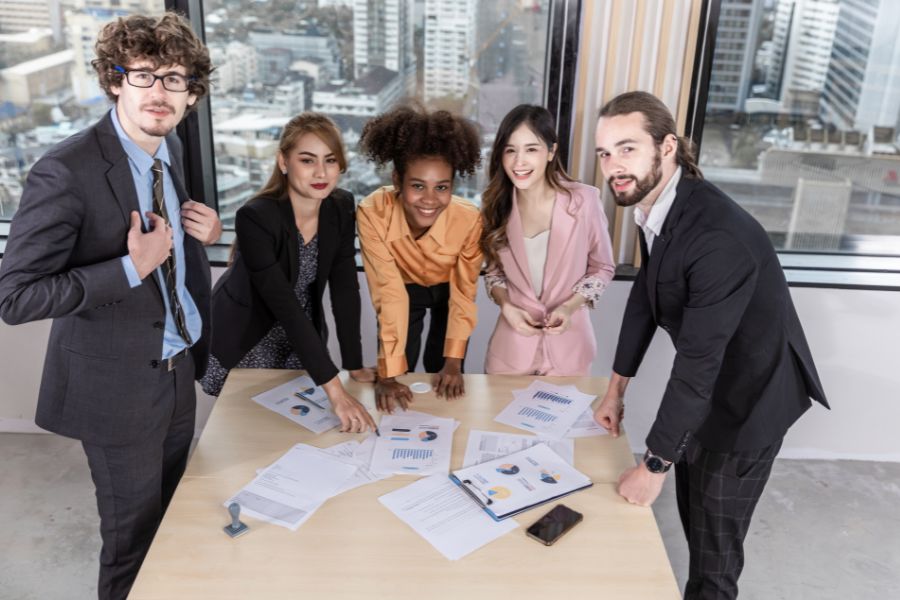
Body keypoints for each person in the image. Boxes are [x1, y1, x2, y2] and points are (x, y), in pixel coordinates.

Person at [0, 13, 221, 600]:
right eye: (143, 74)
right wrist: (129, 267)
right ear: (114, 80)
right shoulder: (65, 170)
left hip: (176, 373)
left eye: (175, 79)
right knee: (131, 543)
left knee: (175, 519)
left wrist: (202, 233)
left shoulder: (169, 147)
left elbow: (169, 239)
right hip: (116, 391)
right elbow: (15, 297)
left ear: (191, 94)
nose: (159, 91)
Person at [591, 91, 829, 599]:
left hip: (751, 401)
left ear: (667, 146)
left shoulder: (717, 236)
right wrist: (615, 390)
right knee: (692, 515)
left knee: (714, 559)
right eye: (605, 153)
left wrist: (653, 464)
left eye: (627, 148)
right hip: (706, 394)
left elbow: (697, 364)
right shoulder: (658, 208)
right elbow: (645, 303)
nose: (614, 166)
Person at [202, 112, 376, 433]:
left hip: (301, 331)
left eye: (331, 160)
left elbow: (344, 287)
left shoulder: (340, 205)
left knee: (300, 428)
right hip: (250, 333)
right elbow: (283, 303)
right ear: (284, 162)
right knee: (252, 430)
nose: (321, 172)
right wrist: (335, 389)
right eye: (307, 160)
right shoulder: (255, 217)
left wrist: (354, 362)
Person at [356, 103, 483, 413]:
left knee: (443, 368)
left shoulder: (468, 219)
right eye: (417, 186)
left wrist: (454, 362)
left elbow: (464, 294)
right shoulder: (372, 213)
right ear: (397, 180)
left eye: (442, 187)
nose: (429, 199)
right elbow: (390, 293)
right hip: (402, 288)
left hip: (448, 290)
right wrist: (387, 374)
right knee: (402, 362)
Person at [480, 105, 615, 375]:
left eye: (531, 149)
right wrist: (506, 306)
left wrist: (569, 307)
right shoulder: (495, 206)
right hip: (511, 351)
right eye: (510, 150)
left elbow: (602, 267)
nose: (519, 162)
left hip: (569, 350)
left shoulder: (584, 200)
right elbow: (494, 273)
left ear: (551, 152)